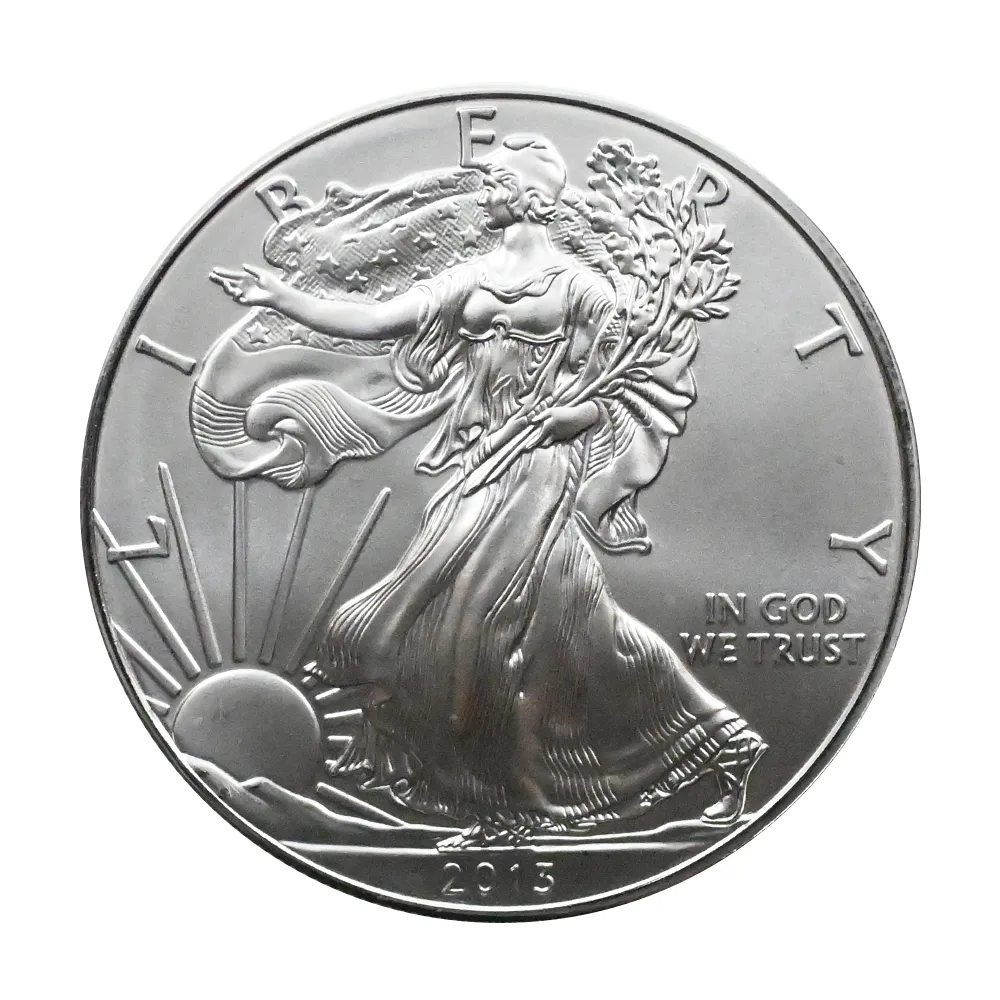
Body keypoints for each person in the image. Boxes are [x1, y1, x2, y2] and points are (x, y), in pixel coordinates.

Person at [212, 135, 766, 844]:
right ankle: (721, 742)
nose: (487, 193)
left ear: (531, 197)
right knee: (577, 631)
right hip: (480, 455)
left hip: (539, 463)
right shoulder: (472, 277)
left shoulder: (582, 290)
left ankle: (507, 808)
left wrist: (572, 416)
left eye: (498, 182)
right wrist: (282, 298)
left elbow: (617, 390)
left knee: (476, 626)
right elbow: (378, 321)